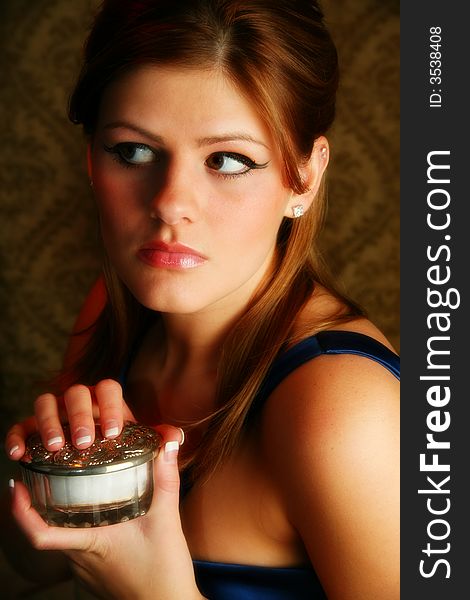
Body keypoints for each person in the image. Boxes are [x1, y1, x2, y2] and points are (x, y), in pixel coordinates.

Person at [2, 0, 400, 598]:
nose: (169, 203)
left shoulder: (342, 413)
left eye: (228, 160)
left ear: (305, 177)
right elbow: (39, 566)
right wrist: (44, 482)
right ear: (90, 159)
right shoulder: (114, 314)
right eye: (132, 151)